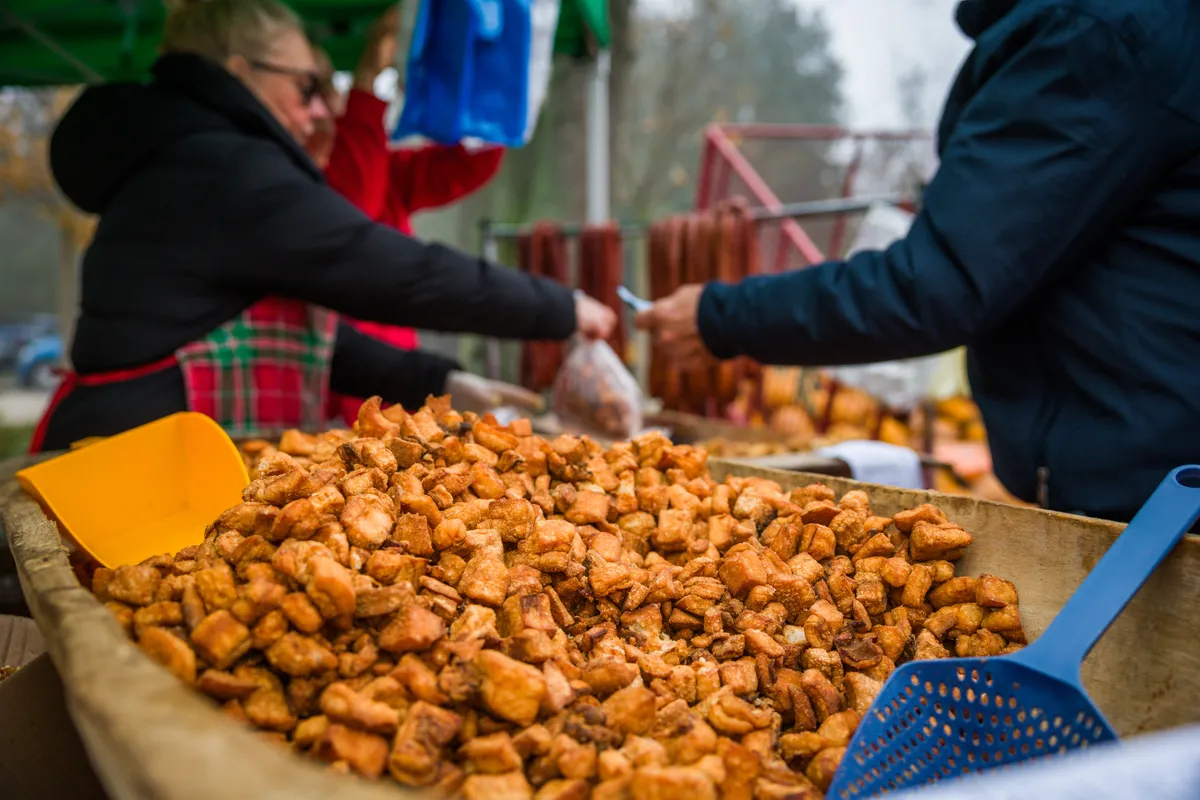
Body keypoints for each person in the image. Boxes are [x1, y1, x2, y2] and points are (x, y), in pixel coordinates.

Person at [637, 0, 1200, 522]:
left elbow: (940, 282)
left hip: (1157, 491)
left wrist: (720, 316)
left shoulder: (1097, 29)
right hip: (1148, 468)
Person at [33, 0, 614, 452]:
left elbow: (303, 340)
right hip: (129, 464)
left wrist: (442, 381)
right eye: (308, 87)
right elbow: (386, 269)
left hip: (152, 449)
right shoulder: (224, 168)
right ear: (240, 73)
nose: (321, 109)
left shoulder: (197, 159)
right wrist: (559, 308)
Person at [314, 10, 512, 426]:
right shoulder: (309, 178)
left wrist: (465, 70)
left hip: (397, 395)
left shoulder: (379, 166)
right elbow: (353, 210)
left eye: (330, 87)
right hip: (336, 405)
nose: (329, 104)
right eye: (309, 89)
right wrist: (367, 86)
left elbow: (468, 165)